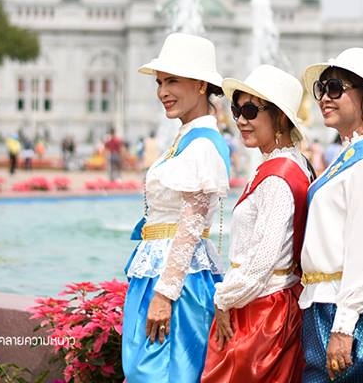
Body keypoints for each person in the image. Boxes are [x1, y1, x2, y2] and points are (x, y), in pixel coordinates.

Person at [121, 33, 231, 383]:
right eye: (159, 82)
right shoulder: (186, 137)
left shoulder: (202, 145)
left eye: (172, 81)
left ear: (200, 85)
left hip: (174, 278)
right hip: (160, 268)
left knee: (162, 374)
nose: (162, 92)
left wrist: (164, 295)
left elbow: (191, 223)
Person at [202, 65, 312, 383]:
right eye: (237, 110)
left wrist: (223, 300)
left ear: (279, 116)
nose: (240, 120)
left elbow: (262, 263)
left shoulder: (278, 177)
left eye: (250, 110)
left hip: (262, 311)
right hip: (265, 303)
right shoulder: (288, 164)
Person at [298, 47, 363, 383]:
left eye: (335, 89)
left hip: (351, 312)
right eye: (322, 89)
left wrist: (343, 327)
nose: (324, 98)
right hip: (329, 303)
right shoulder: (349, 155)